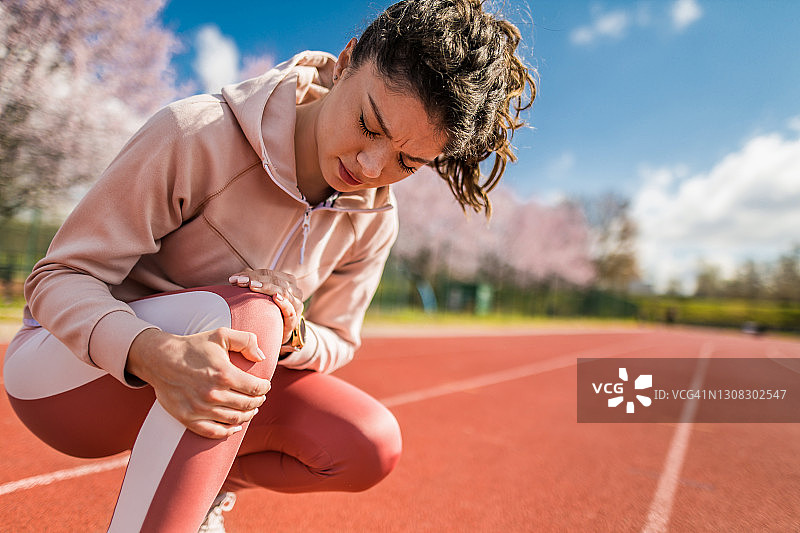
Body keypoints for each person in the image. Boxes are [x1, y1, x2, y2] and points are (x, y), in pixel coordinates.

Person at [3, 0, 536, 530]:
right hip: (69, 378)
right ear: (347, 61)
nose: (371, 167)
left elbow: (338, 339)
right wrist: (151, 351)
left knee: (367, 441)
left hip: (208, 388)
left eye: (407, 162)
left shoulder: (374, 221)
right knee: (252, 317)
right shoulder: (196, 133)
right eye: (369, 124)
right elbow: (56, 280)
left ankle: (207, 490)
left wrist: (294, 332)